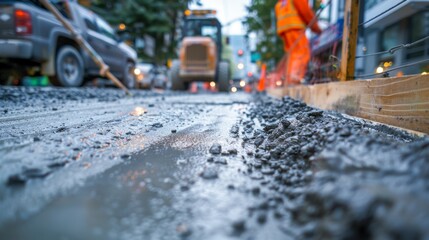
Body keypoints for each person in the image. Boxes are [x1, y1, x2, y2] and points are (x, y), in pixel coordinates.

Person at [275, 0, 322, 85]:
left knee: (292, 55)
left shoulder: (281, 3)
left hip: (284, 29)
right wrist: (316, 28)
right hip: (295, 27)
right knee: (302, 52)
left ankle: (289, 80)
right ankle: (294, 78)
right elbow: (305, 12)